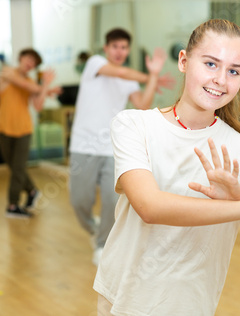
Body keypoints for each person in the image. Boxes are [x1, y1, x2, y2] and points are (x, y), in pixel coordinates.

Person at [93, 19, 240, 315]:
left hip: (191, 307)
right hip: (121, 301)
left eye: (234, 71)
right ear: (184, 61)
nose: (221, 80)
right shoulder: (134, 125)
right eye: (211, 64)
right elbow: (150, 207)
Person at [69, 28, 175, 266]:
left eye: (124, 48)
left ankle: (102, 243)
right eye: (115, 47)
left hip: (111, 147)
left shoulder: (128, 81)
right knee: (79, 201)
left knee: (111, 199)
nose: (119, 51)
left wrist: (154, 76)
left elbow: (143, 104)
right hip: (83, 145)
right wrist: (149, 77)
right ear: (106, 49)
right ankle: (94, 228)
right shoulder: (95, 64)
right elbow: (121, 72)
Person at [0, 48, 60, 218]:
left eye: (34, 62)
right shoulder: (7, 72)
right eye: (28, 58)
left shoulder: (32, 82)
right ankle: (32, 191)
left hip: (23, 129)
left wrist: (45, 87)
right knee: (13, 167)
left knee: (18, 168)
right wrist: (45, 88)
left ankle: (12, 205)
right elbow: (23, 84)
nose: (30, 63)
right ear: (21, 57)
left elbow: (38, 106)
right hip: (4, 127)